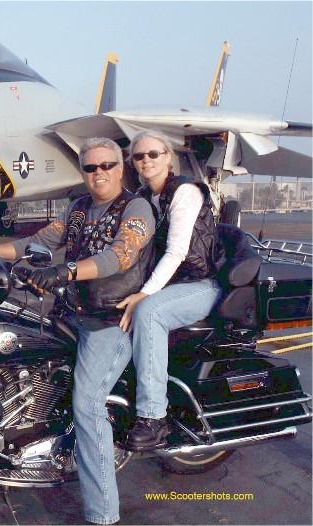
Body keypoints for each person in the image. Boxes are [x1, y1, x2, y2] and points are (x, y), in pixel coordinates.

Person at [0, 138, 155, 525]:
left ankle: (104, 515)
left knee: (87, 405)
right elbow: (38, 241)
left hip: (111, 321)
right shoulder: (79, 209)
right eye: (90, 168)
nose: (99, 173)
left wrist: (67, 271)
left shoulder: (135, 208)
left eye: (107, 165)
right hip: (72, 313)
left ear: (121, 167)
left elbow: (121, 255)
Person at [116, 130, 225, 452]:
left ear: (168, 157)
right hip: (170, 284)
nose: (146, 160)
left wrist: (144, 294)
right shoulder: (142, 196)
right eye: (139, 156)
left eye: (154, 154)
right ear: (133, 163)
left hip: (199, 283)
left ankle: (153, 418)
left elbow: (177, 251)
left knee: (148, 313)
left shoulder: (185, 192)